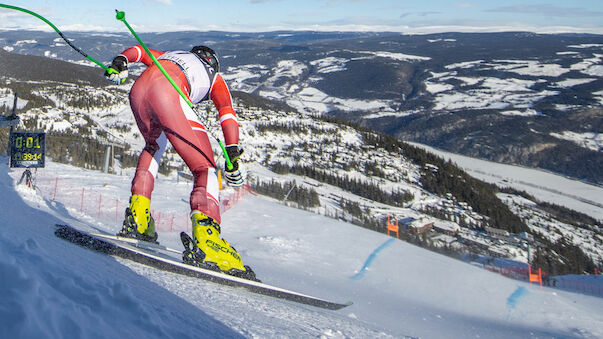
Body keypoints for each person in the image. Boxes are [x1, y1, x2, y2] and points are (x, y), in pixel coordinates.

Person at [104, 44, 252, 278]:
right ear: (213, 61)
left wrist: (121, 61)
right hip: (169, 94)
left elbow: (139, 51)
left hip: (139, 91)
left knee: (153, 146)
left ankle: (138, 218)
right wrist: (232, 150)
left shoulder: (171, 56)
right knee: (205, 168)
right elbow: (226, 111)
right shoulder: (215, 76)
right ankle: (208, 240)